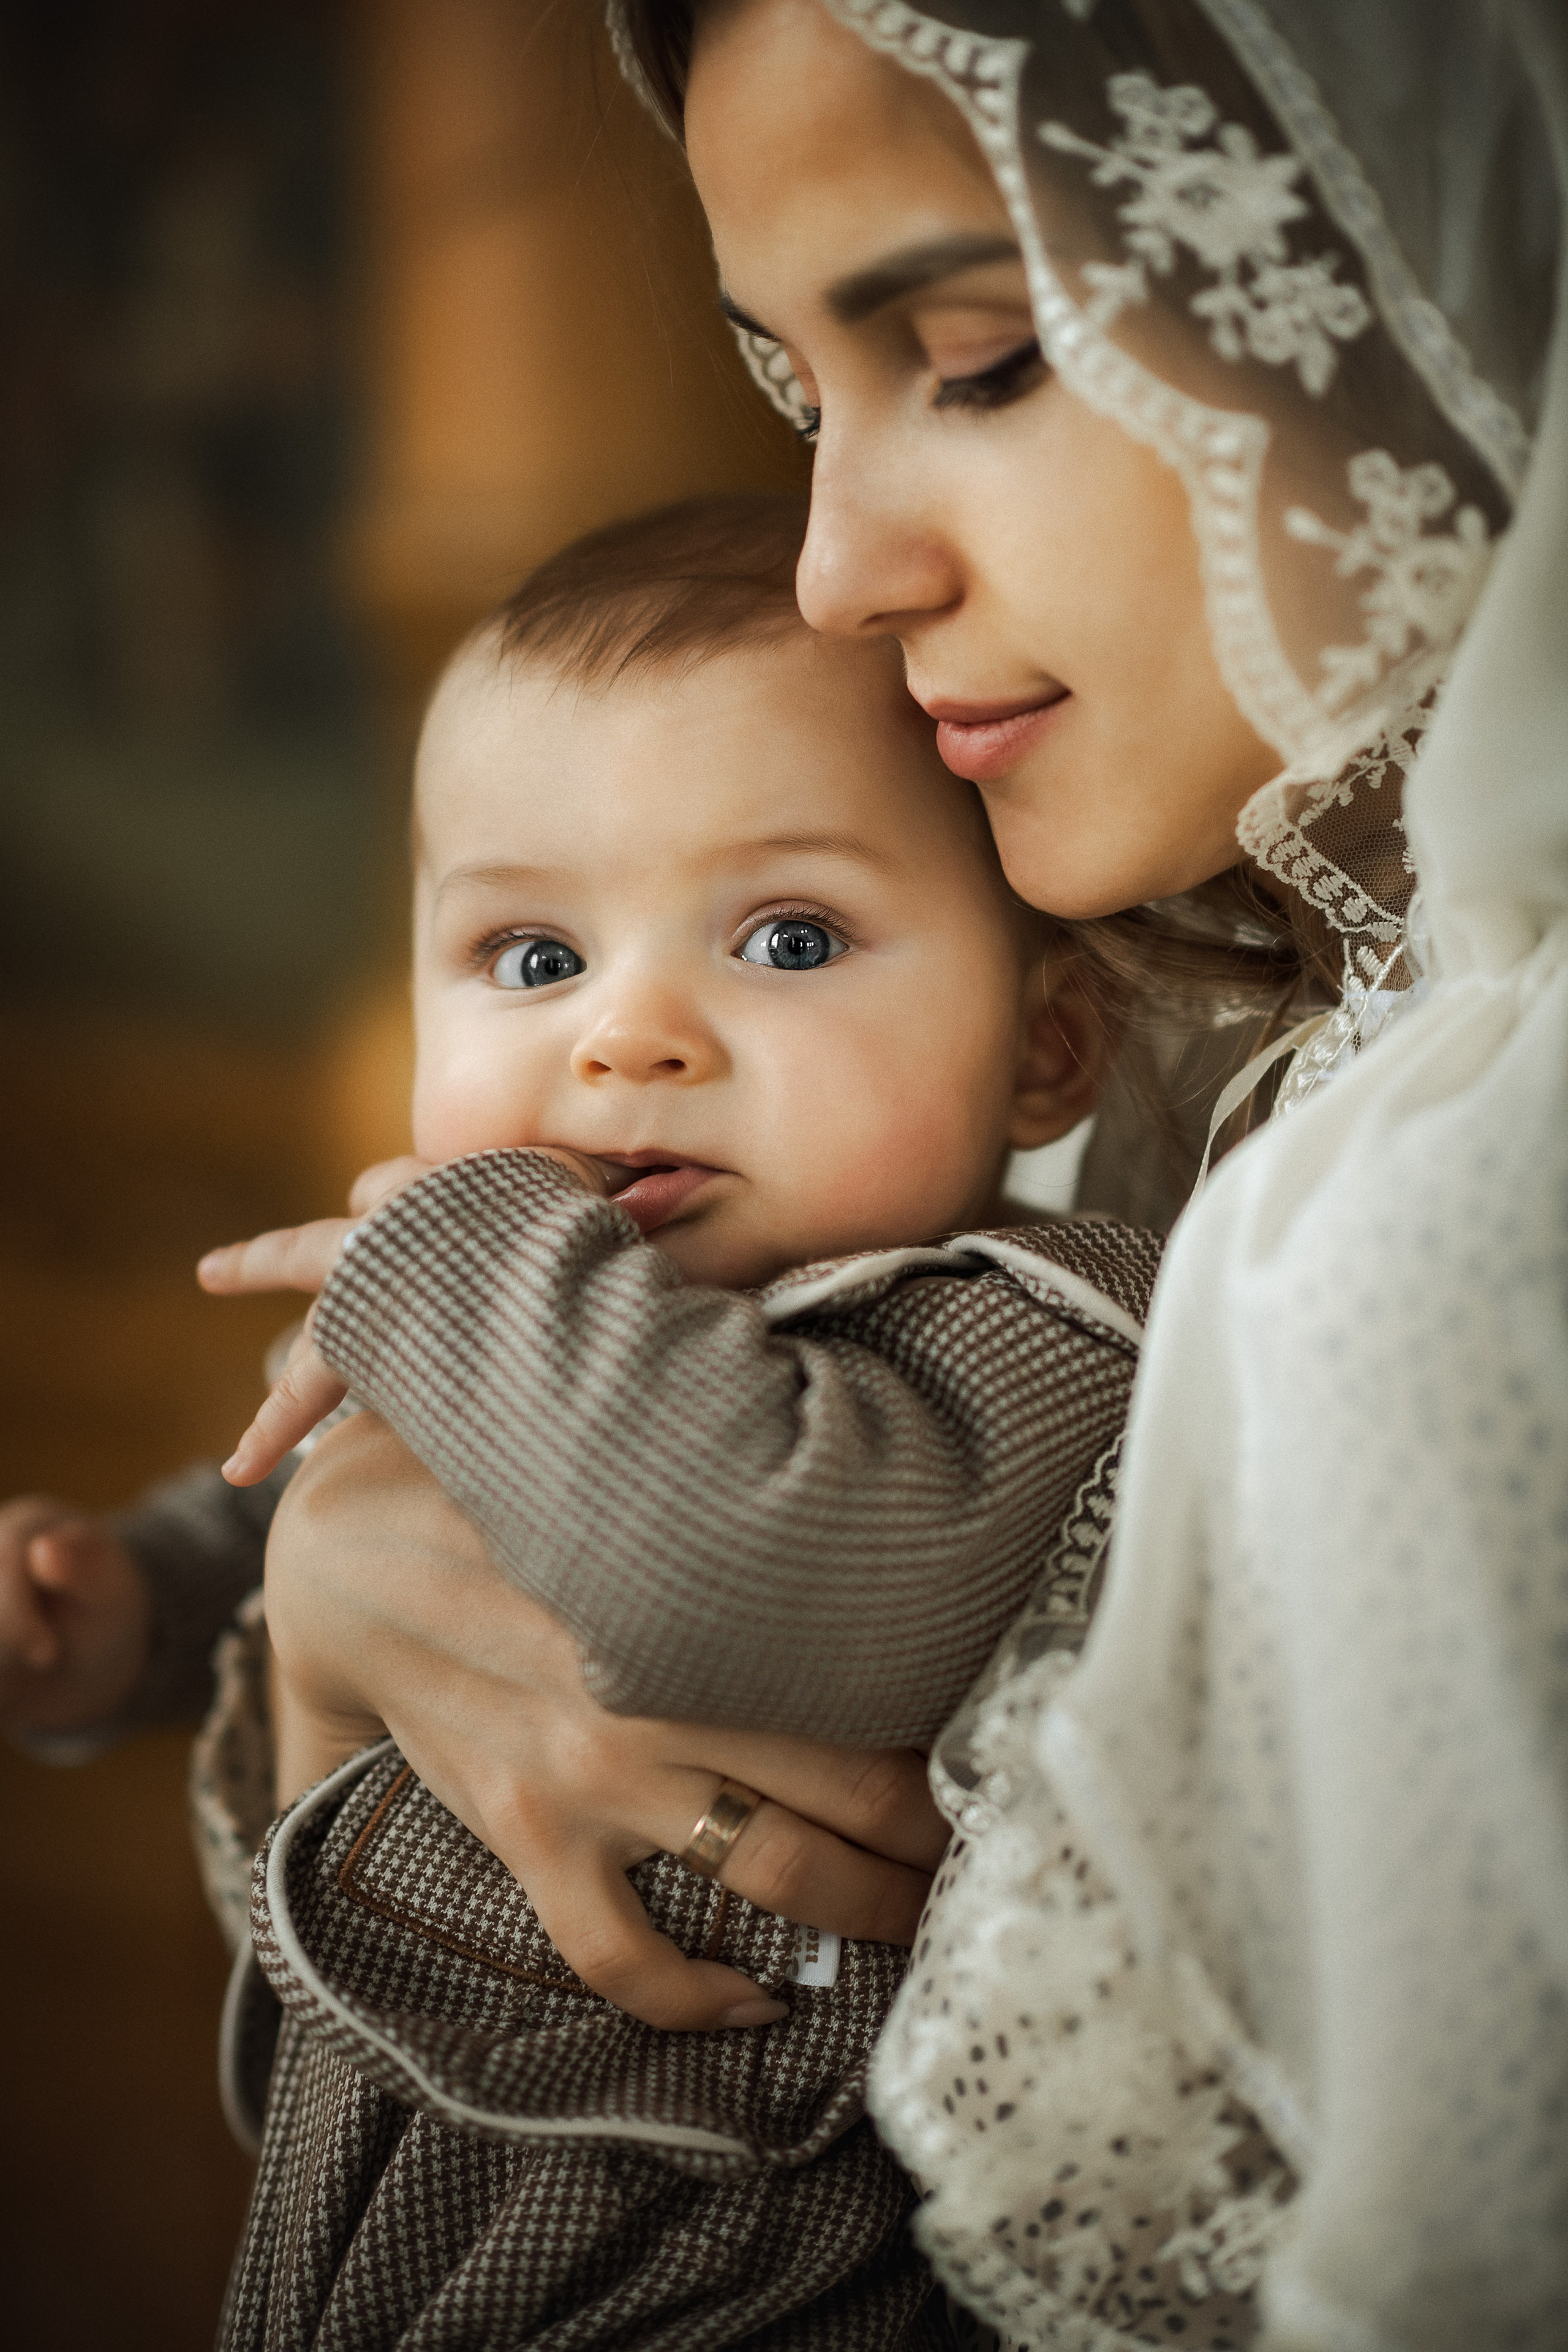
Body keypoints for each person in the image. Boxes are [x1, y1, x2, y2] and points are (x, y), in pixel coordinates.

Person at [201, 1, 1560, 2345]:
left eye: (983, 356)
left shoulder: (1427, 1228)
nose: (839, 569)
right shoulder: (1262, 1053)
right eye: (801, 395)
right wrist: (298, 1618)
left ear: (1395, 269)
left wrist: (439, 1286)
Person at [5, 490, 1180, 2347]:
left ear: (1048, 1044)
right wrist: (131, 1605)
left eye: (788, 939)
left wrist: (459, 1236)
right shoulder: (516, 1307)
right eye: (533, 961)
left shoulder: (1019, 1336)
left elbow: (727, 1566)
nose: (627, 1041)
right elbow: (303, 1503)